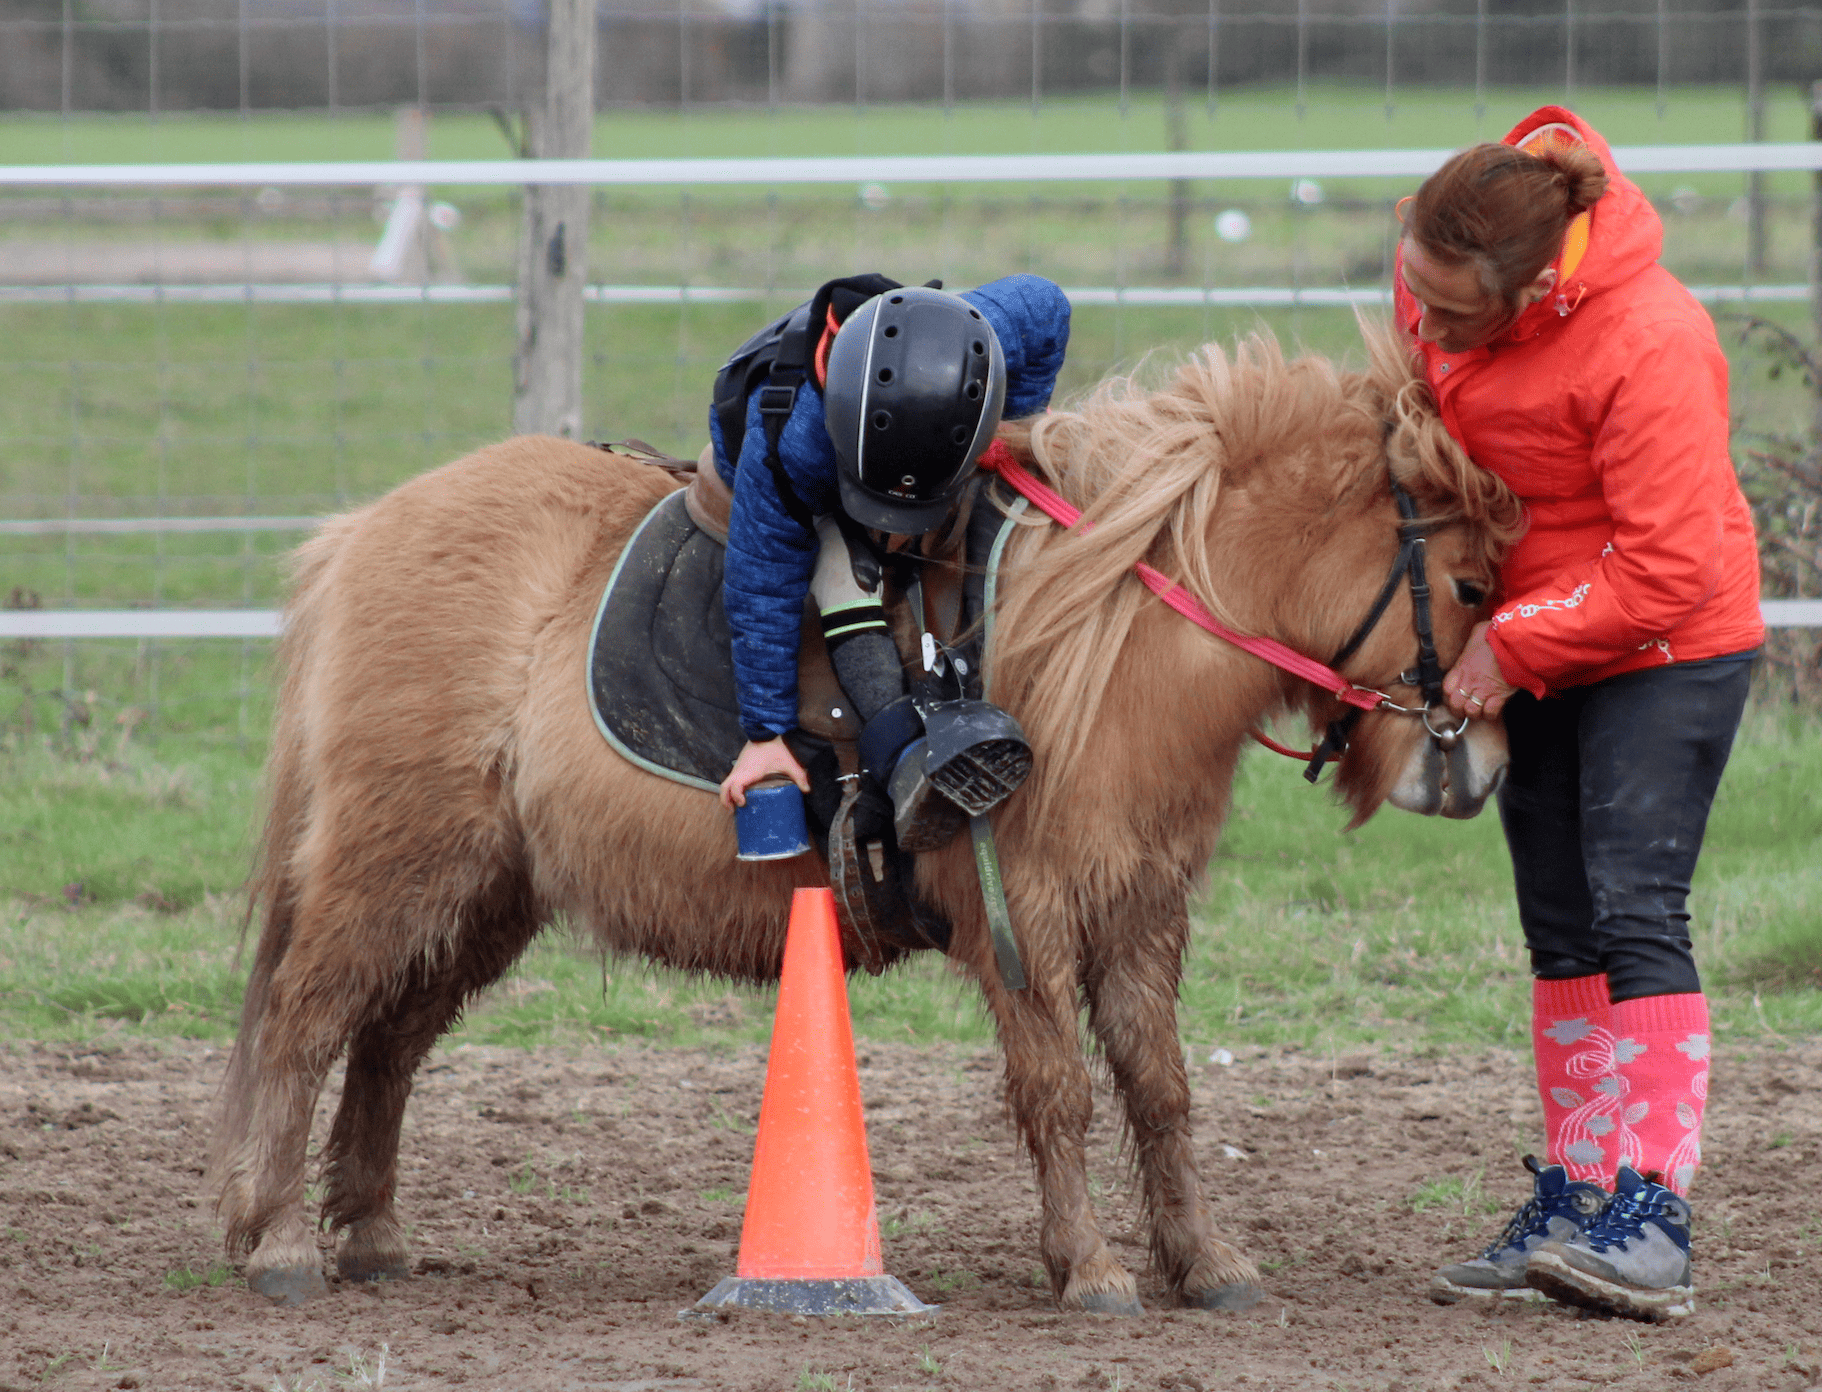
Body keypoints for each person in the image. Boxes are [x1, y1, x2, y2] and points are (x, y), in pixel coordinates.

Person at [1395, 108, 1764, 1320]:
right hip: (1530, 638)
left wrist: (1508, 643)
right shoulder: (1442, 285)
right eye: (1415, 295)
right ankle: (1576, 1196)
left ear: (1530, 287)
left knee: (1633, 913)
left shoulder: (1652, 340)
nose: (1425, 329)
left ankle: (1651, 1221)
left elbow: (1668, 568)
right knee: (1559, 929)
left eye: (1450, 314)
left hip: (1667, 644)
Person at [711, 274, 1071, 851]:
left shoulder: (993, 335)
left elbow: (1048, 306)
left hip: (917, 438)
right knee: (842, 573)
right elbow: (761, 585)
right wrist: (764, 733)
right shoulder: (790, 448)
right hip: (792, 448)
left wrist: (1013, 425)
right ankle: (908, 763)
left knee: (997, 510)